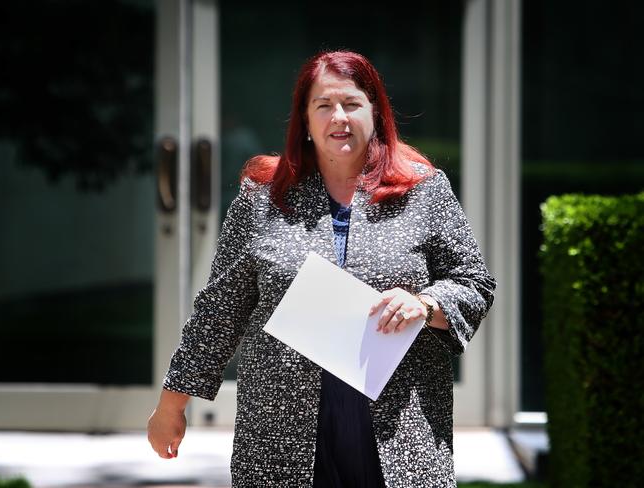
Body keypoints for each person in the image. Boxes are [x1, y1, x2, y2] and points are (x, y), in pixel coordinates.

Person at [148, 50, 496, 488]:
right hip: (281, 434)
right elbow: (219, 312)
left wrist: (425, 304)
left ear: (376, 113)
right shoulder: (262, 199)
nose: (339, 117)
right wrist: (171, 405)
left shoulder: (425, 191)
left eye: (351, 104)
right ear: (305, 121)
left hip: (398, 430)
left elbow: (474, 284)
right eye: (323, 105)